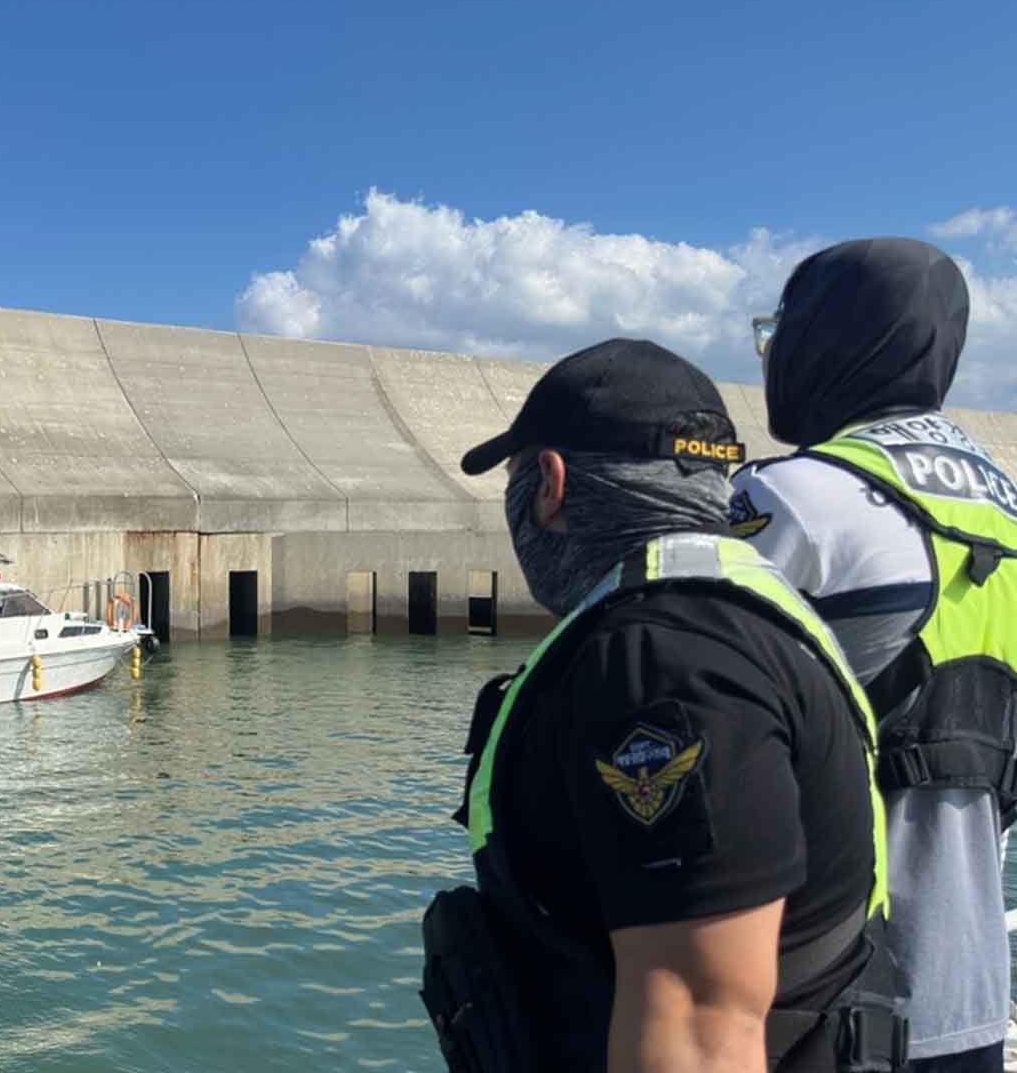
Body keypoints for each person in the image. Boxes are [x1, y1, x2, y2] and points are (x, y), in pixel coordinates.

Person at [420, 339, 904, 1071]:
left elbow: (701, 1032)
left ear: (550, 485)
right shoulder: (732, 615)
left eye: (516, 478)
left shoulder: (663, 663)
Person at [732, 237, 1015, 1071]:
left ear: (829, 336)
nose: (771, 355)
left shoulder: (789, 498)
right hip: (967, 998)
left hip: (815, 995)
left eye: (777, 331)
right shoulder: (1003, 511)